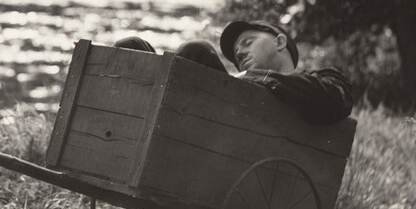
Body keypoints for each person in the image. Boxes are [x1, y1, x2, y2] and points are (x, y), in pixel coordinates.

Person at [115, 19, 353, 124]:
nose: (240, 53)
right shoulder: (245, 80)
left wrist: (255, 78)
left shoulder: (322, 78)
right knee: (130, 46)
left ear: (280, 42)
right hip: (203, 123)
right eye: (237, 56)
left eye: (248, 43)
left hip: (225, 145)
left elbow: (338, 98)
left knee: (196, 51)